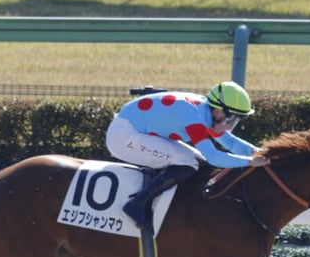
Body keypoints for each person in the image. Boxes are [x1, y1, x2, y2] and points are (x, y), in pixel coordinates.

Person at [106, 81, 270, 231]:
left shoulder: (207, 112)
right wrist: (250, 162)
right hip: (123, 137)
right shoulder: (195, 117)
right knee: (187, 161)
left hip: (136, 130)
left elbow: (231, 143)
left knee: (196, 161)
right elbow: (213, 156)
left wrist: (261, 153)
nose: (232, 124)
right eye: (233, 117)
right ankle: (137, 204)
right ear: (219, 111)